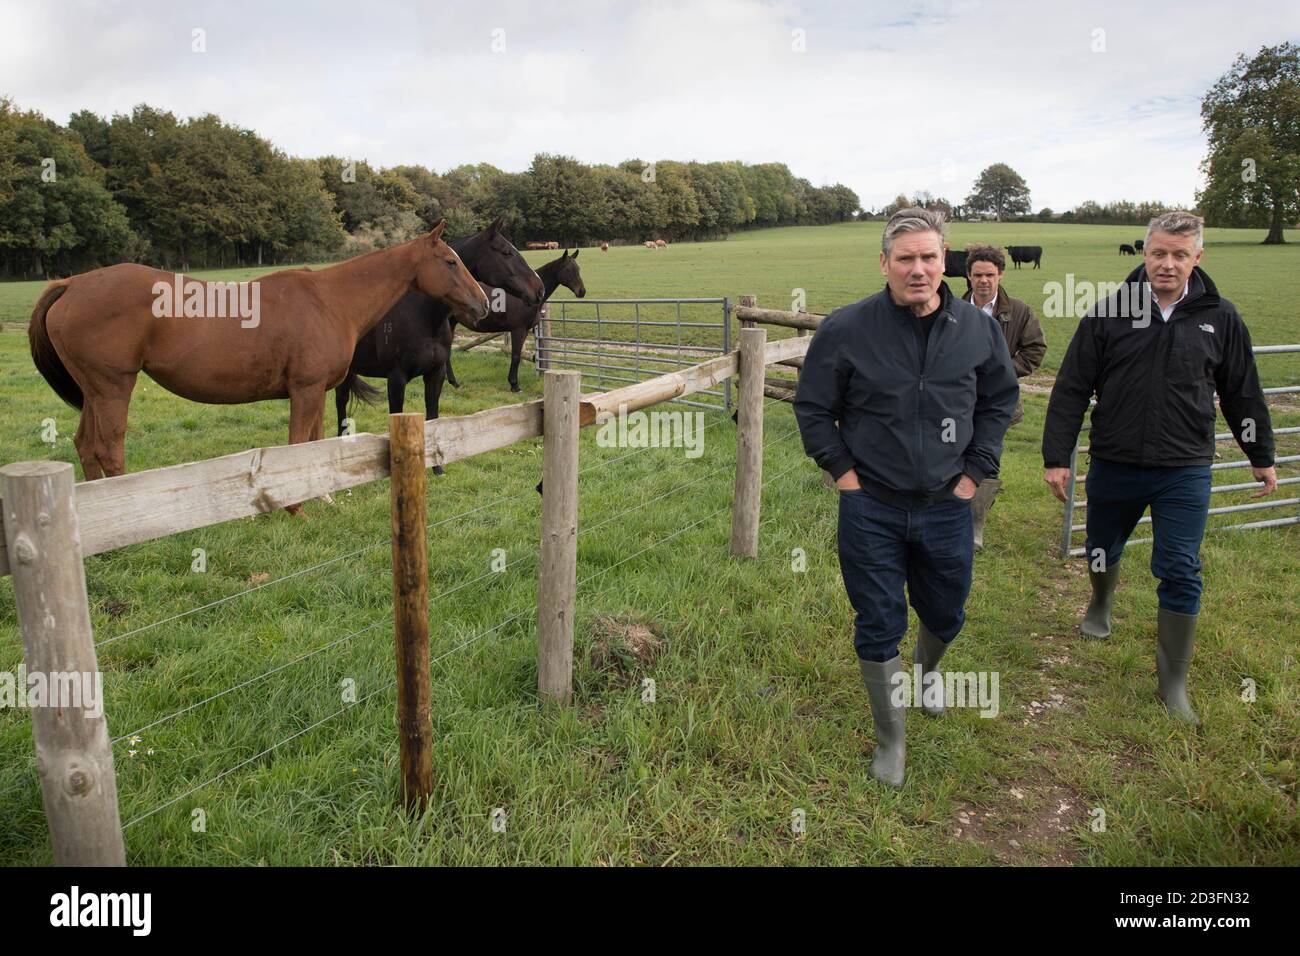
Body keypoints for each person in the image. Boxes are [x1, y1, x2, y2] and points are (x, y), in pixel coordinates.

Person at [794, 208, 1019, 787]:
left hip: (949, 502)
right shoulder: (847, 328)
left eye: (929, 257)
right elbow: (814, 408)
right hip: (872, 505)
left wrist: (974, 474)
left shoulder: (977, 328)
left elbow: (998, 402)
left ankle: (927, 672)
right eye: (905, 259)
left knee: (947, 610)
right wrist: (844, 477)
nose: (918, 270)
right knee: (877, 619)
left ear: (948, 262)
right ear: (884, 264)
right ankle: (891, 739)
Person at [1042, 211, 1277, 723]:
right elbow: (1071, 388)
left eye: (1179, 254)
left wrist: (1261, 455)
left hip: (1185, 465)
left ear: (1198, 258)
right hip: (1115, 459)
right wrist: (1057, 457)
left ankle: (1173, 685)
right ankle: (1100, 603)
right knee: (1102, 547)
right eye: (1158, 253)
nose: (1167, 264)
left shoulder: (1222, 318)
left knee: (1180, 568)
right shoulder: (1108, 315)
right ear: (1144, 253)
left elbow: (1242, 392)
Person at [962, 245, 1047, 550]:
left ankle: (975, 527)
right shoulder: (953, 310)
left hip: (997, 407)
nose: (983, 280)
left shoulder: (1020, 311)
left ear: (1000, 274)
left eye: (989, 274)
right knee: (953, 458)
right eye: (977, 275)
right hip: (956, 405)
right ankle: (953, 517)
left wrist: (1001, 371)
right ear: (968, 277)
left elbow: (1035, 350)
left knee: (988, 460)